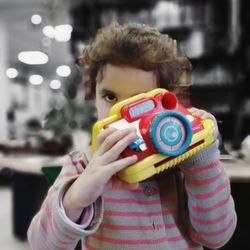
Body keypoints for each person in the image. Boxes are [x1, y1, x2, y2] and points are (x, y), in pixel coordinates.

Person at [28, 22, 236, 250]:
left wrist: (201, 162)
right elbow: (41, 245)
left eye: (140, 101)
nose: (121, 114)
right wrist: (75, 198)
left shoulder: (182, 163)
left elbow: (216, 237)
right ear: (94, 96)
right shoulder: (82, 165)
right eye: (110, 97)